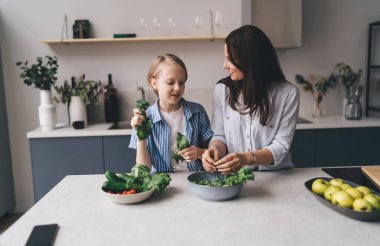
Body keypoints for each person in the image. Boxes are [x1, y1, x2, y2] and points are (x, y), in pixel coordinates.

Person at [202, 25, 299, 174]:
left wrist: (246, 158)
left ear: (249, 60)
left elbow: (281, 146)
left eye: (230, 59)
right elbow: (220, 135)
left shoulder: (288, 94)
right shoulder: (222, 90)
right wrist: (214, 149)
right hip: (235, 177)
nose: (224, 65)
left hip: (277, 176)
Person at [129, 54, 213, 173]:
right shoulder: (144, 118)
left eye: (181, 82)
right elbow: (144, 169)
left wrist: (200, 153)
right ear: (154, 83)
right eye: (170, 82)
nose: (177, 88)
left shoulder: (198, 112)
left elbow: (214, 153)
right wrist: (140, 133)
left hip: (195, 179)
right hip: (161, 182)